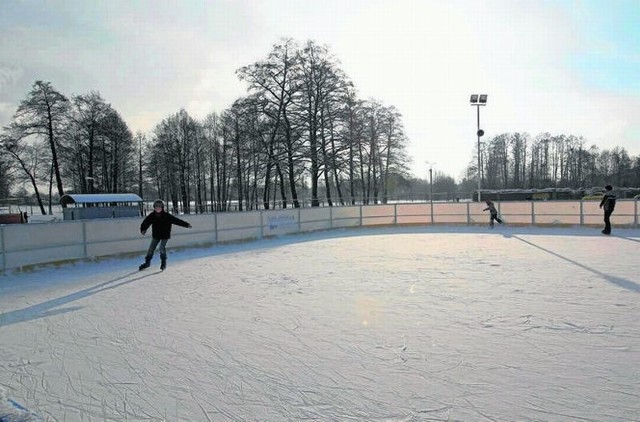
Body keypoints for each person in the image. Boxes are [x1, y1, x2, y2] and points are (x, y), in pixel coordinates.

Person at [139, 200, 192, 271]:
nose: (158, 208)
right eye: (156, 207)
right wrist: (143, 229)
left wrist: (186, 225)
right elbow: (146, 222)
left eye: (159, 207)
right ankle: (147, 263)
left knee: (161, 247)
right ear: (154, 207)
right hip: (156, 235)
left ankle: (163, 263)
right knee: (151, 249)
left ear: (162, 207)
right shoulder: (152, 215)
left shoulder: (166, 216)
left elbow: (176, 221)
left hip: (165, 235)